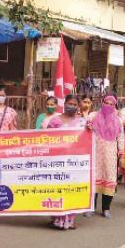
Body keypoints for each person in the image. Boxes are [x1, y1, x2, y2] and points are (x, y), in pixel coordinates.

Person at [47, 95, 87, 229]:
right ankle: (57, 218)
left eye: (75, 105)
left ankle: (70, 218)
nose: (72, 106)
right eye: (70, 103)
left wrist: (91, 129)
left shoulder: (82, 122)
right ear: (64, 103)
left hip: (74, 162)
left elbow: (87, 141)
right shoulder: (54, 121)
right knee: (57, 189)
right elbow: (47, 139)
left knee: (72, 190)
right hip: (57, 161)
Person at [89, 95, 124, 218]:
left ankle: (106, 208)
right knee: (94, 178)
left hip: (110, 154)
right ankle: (91, 208)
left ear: (114, 106)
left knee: (109, 178)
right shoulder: (92, 116)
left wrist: (122, 153)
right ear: (102, 103)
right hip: (95, 152)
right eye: (106, 103)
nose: (108, 106)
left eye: (111, 104)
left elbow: (121, 137)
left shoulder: (118, 120)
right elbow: (86, 132)